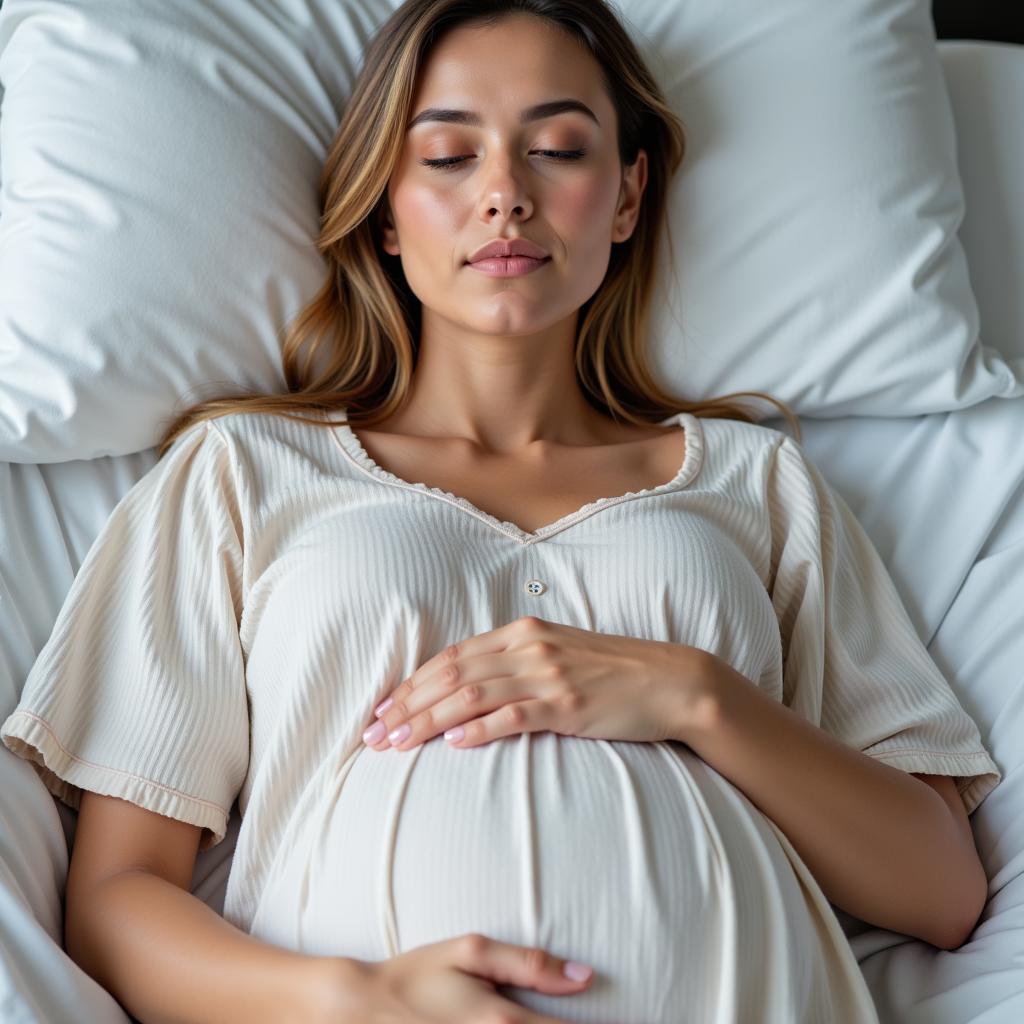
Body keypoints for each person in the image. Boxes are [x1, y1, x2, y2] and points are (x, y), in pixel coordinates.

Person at [1, 1, 1001, 1022]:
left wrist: (695, 695)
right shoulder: (241, 471)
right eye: (446, 156)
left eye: (559, 148)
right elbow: (116, 902)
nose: (505, 195)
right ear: (384, 210)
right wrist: (355, 999)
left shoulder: (757, 481)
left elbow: (941, 887)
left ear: (625, 196)